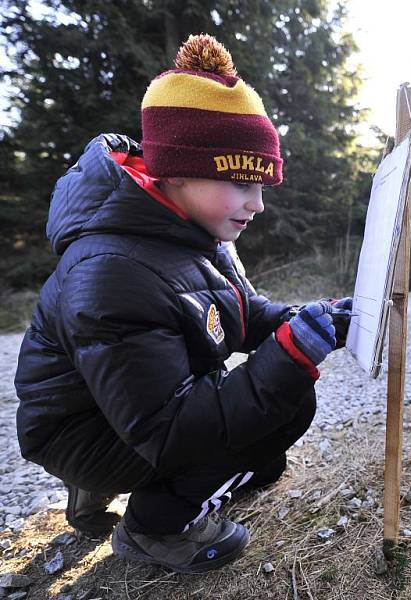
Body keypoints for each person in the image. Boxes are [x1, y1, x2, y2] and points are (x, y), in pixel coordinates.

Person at [13, 35, 352, 573]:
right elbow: (170, 431)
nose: (257, 204)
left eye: (262, 185)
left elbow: (240, 313)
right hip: (85, 429)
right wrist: (289, 359)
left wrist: (308, 320)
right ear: (177, 170)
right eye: (241, 180)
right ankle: (154, 528)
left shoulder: (192, 230)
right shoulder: (112, 270)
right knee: (285, 406)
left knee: (263, 457)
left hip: (113, 409)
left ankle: (96, 486)